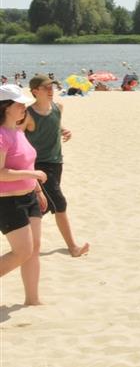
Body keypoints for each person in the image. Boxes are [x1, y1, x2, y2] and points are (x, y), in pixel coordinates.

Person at [25, 75, 88, 258]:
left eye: (51, 87)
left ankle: (23, 244)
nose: (51, 90)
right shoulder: (28, 114)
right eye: (46, 88)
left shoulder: (58, 107)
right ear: (35, 91)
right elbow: (18, 139)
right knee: (59, 203)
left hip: (57, 162)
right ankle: (73, 247)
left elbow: (55, 125)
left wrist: (64, 130)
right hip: (39, 166)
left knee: (42, 206)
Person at [0, 84, 48, 306]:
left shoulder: (17, 132)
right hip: (8, 202)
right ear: (6, 107)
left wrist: (37, 189)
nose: (23, 107)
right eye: (19, 104)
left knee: (34, 249)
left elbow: (27, 160)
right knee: (22, 252)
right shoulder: (1, 135)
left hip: (30, 197)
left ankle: (33, 300)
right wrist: (32, 174)